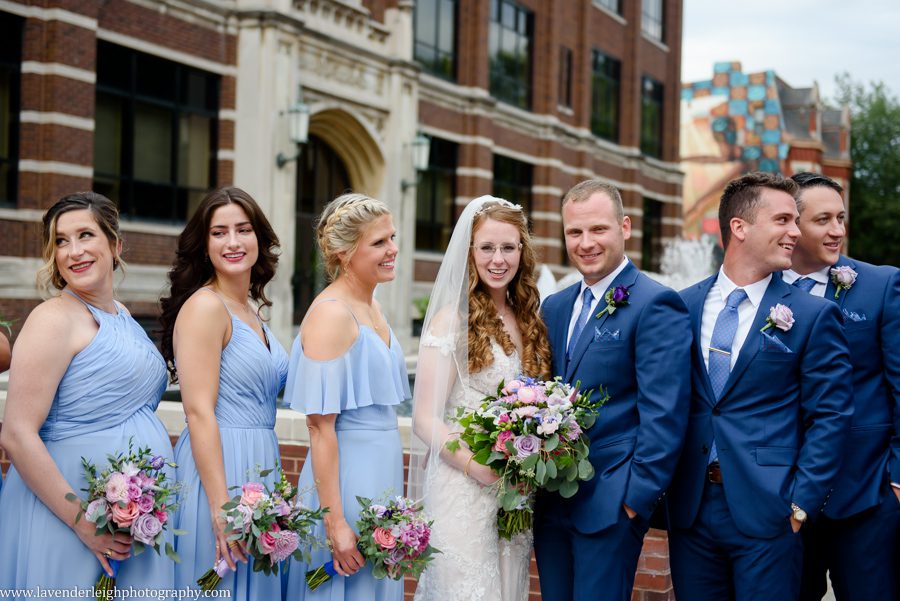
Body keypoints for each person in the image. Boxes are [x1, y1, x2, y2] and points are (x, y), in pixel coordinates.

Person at [667, 172, 854, 601]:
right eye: (784, 220)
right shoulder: (682, 305)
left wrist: (800, 502)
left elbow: (832, 415)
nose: (795, 232)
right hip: (691, 511)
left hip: (770, 511)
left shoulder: (812, 315)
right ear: (739, 227)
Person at [0, 192, 175, 589]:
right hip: (66, 514)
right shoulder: (53, 318)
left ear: (115, 245)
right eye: (61, 241)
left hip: (128, 517)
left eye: (85, 235)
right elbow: (16, 433)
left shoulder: (125, 316)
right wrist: (83, 521)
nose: (73, 251)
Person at [534, 180, 692, 601]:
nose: (585, 243)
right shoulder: (555, 305)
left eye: (598, 230)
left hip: (610, 503)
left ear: (624, 227)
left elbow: (665, 414)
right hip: (551, 502)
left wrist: (633, 501)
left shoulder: (656, 303)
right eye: (575, 232)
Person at [410, 196, 552, 601]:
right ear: (470, 252)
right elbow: (424, 420)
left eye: (508, 247)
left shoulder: (527, 318)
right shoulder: (451, 321)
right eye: (486, 247)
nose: (498, 259)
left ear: (522, 251)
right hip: (463, 486)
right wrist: (479, 469)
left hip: (514, 494)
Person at [159, 187, 288, 598]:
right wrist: (220, 506)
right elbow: (197, 412)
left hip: (261, 463)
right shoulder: (205, 307)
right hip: (218, 471)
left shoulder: (252, 311)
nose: (233, 242)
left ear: (259, 238)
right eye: (219, 233)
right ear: (204, 244)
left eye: (243, 229)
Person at [282, 193, 409, 601]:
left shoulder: (372, 306)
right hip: (346, 482)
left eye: (391, 238)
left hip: (381, 475)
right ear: (343, 252)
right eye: (379, 243)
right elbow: (319, 428)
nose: (392, 250)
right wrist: (335, 522)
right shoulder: (332, 314)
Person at [783, 172, 899, 601]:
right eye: (824, 220)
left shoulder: (881, 286)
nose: (838, 231)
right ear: (792, 227)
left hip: (868, 493)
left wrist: (897, 480)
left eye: (841, 218)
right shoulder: (764, 291)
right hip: (787, 495)